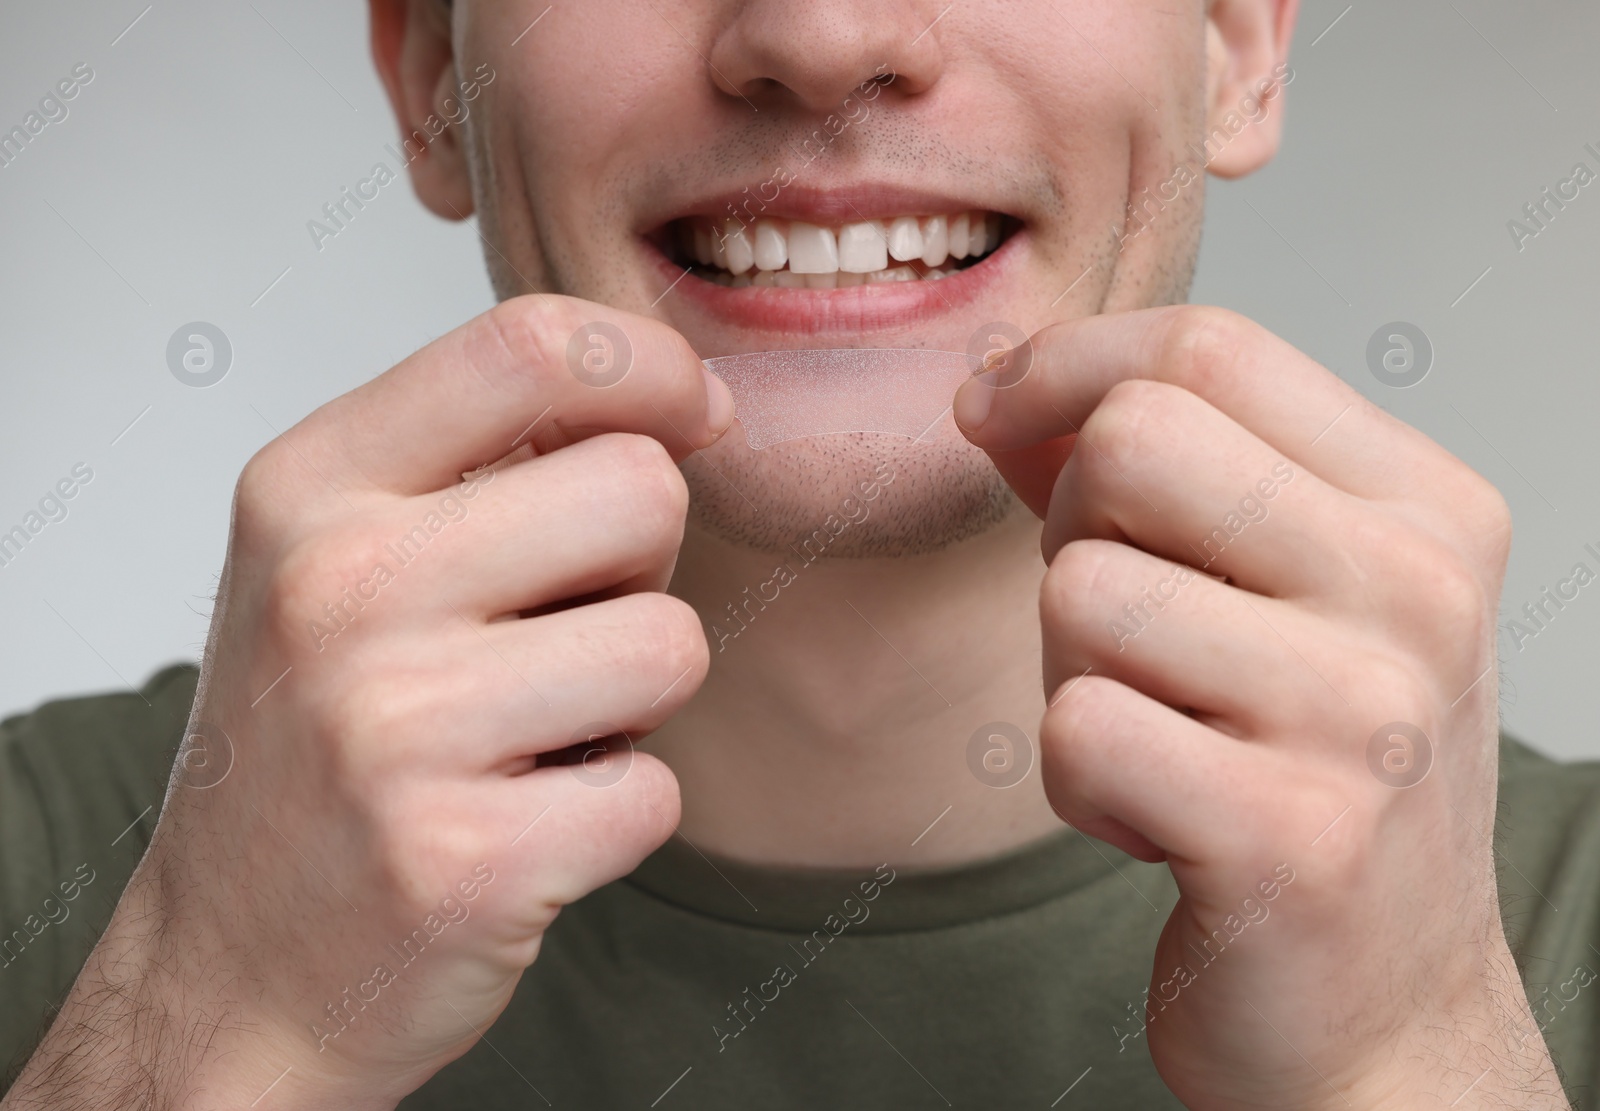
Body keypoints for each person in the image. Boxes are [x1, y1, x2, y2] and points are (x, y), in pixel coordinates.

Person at [1, 1, 1593, 1107]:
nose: (826, 38)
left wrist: (1417, 1069)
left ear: (1237, 40)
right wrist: (214, 1046)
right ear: (431, 71)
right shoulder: (42, 889)